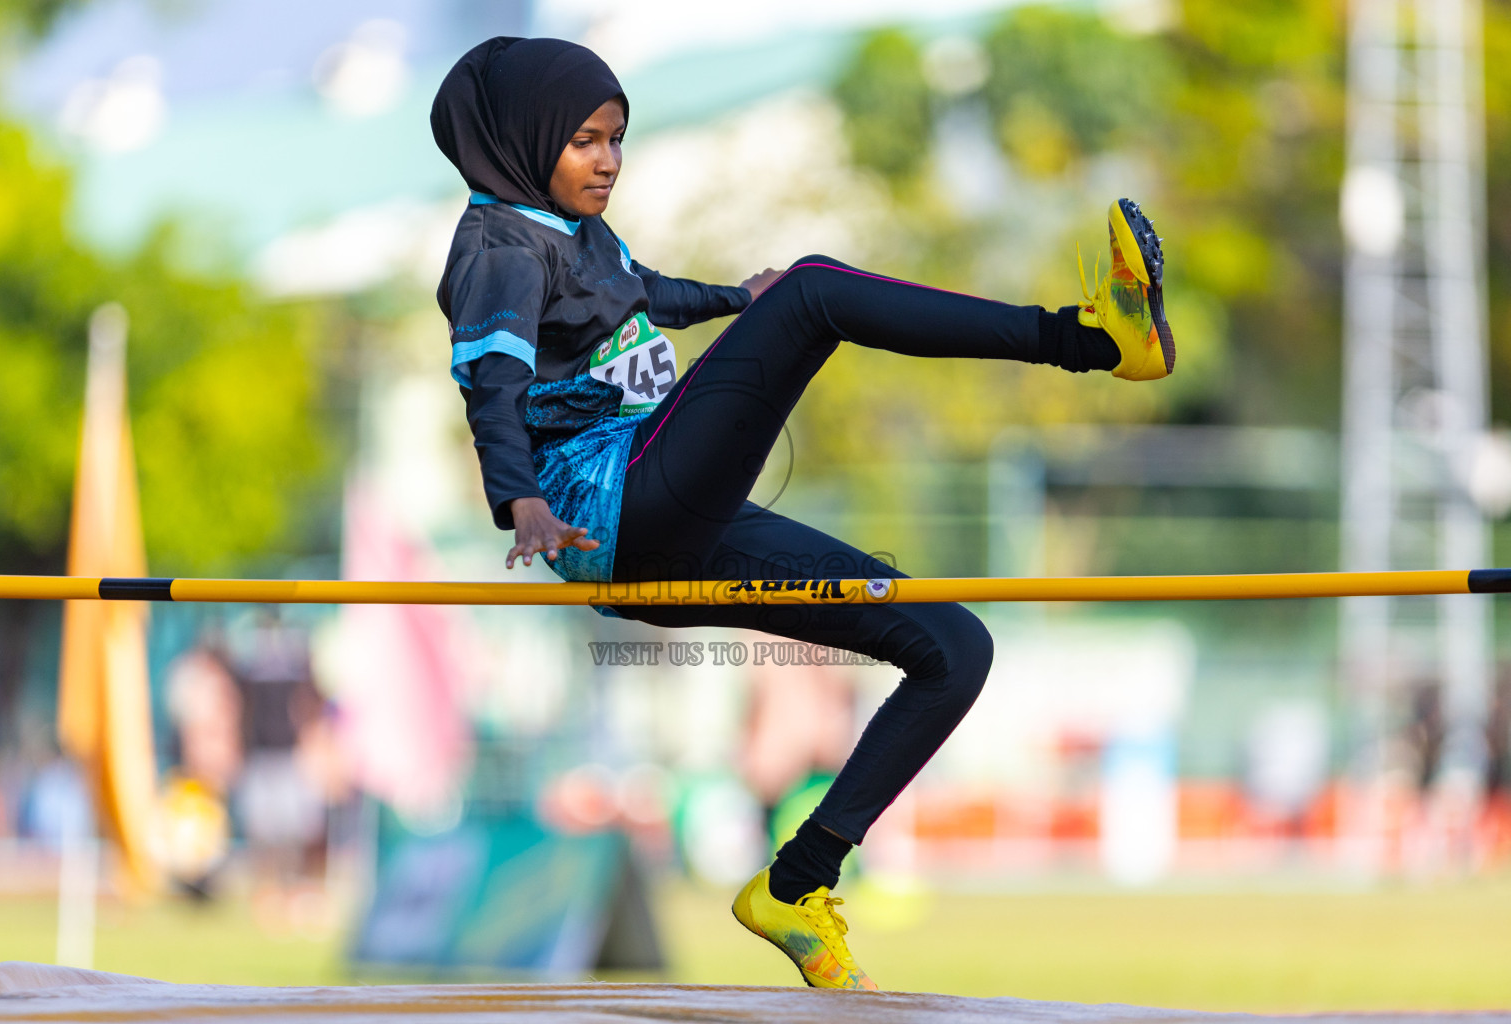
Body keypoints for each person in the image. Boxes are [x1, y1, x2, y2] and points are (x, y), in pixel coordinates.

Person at [431, 36, 1174, 992]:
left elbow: (641, 295)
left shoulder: (578, 234)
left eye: (617, 139)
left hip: (668, 517)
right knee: (820, 291)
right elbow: (491, 389)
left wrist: (739, 298)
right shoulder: (497, 247)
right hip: (607, 510)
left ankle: (796, 884)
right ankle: (1089, 342)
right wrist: (518, 500)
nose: (608, 161)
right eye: (584, 141)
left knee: (953, 646)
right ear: (526, 138)